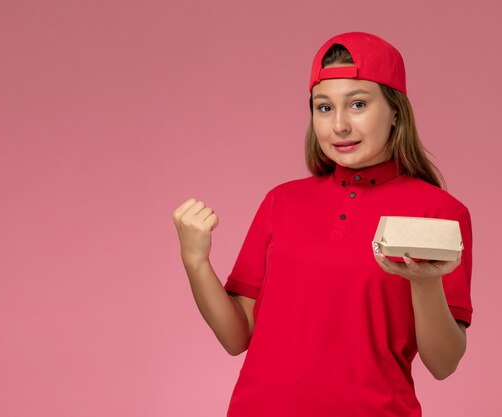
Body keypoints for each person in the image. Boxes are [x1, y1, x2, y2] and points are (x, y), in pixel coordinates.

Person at [172, 31, 473, 417]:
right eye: (324, 108)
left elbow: (443, 363)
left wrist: (425, 281)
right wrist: (195, 262)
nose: (339, 126)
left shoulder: (439, 211)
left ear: (396, 110)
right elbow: (237, 337)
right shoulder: (282, 201)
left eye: (359, 104)